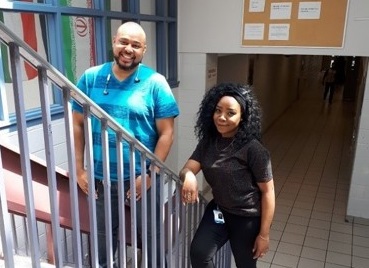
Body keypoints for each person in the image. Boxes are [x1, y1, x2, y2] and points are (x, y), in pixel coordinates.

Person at [72, 21, 179, 267]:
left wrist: (151, 173)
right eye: (123, 42)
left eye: (136, 45)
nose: (128, 49)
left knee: (150, 237)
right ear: (114, 42)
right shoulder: (91, 78)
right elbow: (77, 124)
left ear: (144, 50)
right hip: (100, 177)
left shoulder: (156, 82)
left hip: (142, 178)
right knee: (102, 238)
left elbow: (167, 134)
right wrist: (79, 169)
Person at [179, 82, 275, 268]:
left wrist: (264, 235)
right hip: (219, 210)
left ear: (242, 117)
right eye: (218, 111)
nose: (221, 117)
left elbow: (268, 192)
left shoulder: (253, 149)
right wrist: (189, 176)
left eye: (230, 113)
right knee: (199, 254)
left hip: (247, 218)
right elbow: (187, 169)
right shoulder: (209, 142)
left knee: (245, 265)